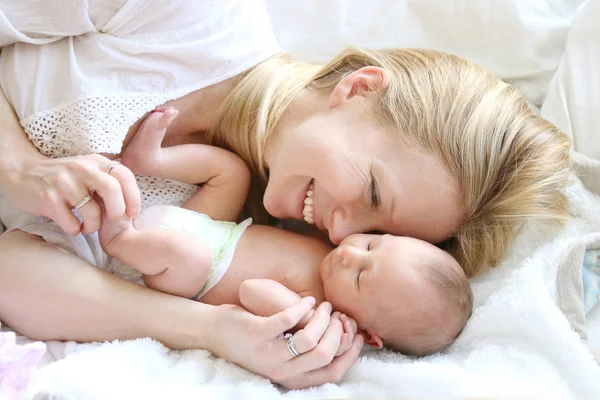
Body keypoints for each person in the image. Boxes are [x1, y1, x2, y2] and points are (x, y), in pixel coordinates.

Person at [0, 0, 570, 389]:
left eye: (377, 237)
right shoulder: (194, 18)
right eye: (372, 192)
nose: (343, 235)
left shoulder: (230, 232)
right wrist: (21, 167)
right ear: (360, 88)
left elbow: (14, 271)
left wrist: (215, 332)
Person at [95, 106, 473, 357]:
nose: (349, 253)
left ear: (370, 333)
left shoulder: (312, 307)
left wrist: (301, 315)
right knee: (232, 173)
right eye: (373, 244)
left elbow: (249, 290)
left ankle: (117, 237)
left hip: (189, 275)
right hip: (216, 229)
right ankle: (151, 160)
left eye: (359, 277)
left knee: (191, 257)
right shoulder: (328, 247)